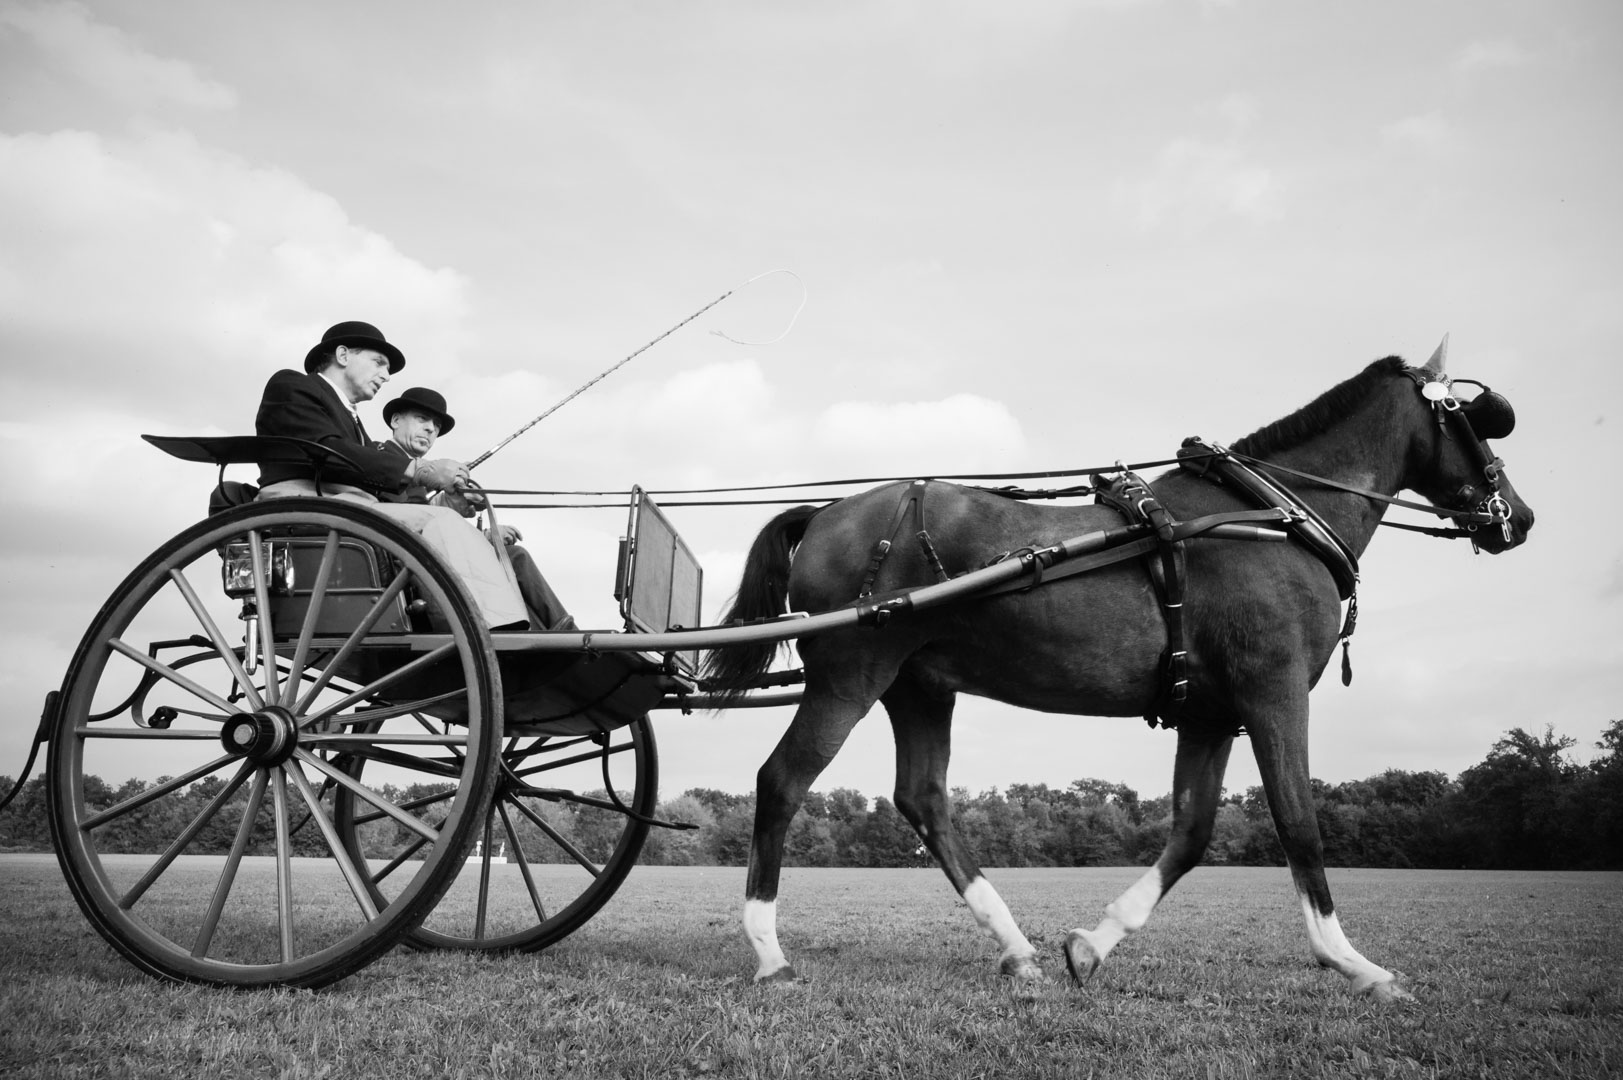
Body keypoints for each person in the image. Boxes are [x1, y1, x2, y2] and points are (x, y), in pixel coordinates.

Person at [254, 321, 529, 630]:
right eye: (378, 362)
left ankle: (501, 625)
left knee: (446, 520)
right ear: (343, 355)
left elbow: (379, 483)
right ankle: (488, 627)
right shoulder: (292, 385)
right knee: (440, 523)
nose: (385, 376)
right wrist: (421, 469)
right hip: (311, 507)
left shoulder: (353, 422)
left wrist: (451, 500)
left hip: (349, 510)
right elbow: (326, 451)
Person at [377, 387, 576, 631]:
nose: (430, 429)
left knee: (511, 557)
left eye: (436, 426)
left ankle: (548, 635)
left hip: (422, 556)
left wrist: (459, 504)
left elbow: (422, 516)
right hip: (406, 565)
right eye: (422, 419)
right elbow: (403, 523)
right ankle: (561, 635)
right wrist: (482, 538)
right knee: (515, 558)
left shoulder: (417, 472)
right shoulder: (385, 462)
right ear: (396, 420)